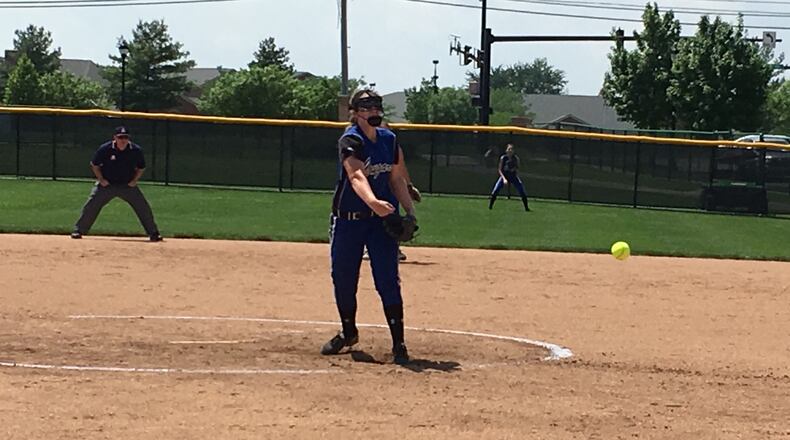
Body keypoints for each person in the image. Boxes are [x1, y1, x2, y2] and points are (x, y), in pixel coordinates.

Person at [322, 89, 416, 365]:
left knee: (387, 279)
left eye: (376, 106)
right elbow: (356, 175)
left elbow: (396, 178)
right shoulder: (350, 140)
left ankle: (399, 343)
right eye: (366, 106)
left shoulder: (390, 140)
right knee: (343, 278)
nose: (373, 111)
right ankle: (349, 332)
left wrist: (409, 210)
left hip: (381, 223)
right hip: (349, 220)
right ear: (354, 111)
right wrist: (374, 202)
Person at [71, 126, 163, 242]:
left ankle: (154, 233)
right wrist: (101, 179)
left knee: (143, 207)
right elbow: (95, 165)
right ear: (115, 138)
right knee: (91, 206)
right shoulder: (105, 149)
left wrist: (134, 181)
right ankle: (78, 230)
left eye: (125, 137)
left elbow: (141, 167)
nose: (123, 140)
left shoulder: (135, 150)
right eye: (120, 137)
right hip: (107, 185)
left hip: (127, 186)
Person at [488, 144, 531, 211]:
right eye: (509, 149)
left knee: (521, 190)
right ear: (506, 150)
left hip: (513, 176)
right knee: (496, 190)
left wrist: (514, 170)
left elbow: (517, 168)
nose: (510, 151)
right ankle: (490, 206)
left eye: (512, 149)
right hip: (504, 176)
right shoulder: (503, 158)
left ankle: (526, 208)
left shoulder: (515, 158)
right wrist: (504, 179)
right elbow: (500, 170)